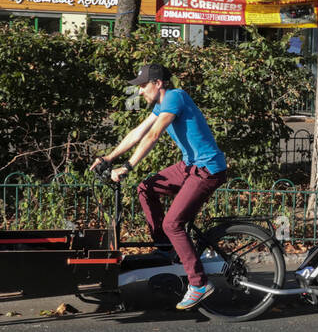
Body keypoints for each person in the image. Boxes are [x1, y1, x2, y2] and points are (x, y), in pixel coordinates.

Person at [95, 63, 229, 310]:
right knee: (146, 188)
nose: (140, 92)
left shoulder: (175, 97)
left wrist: (128, 166)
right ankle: (166, 249)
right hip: (191, 166)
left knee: (172, 223)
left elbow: (153, 135)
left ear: (158, 84)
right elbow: (138, 132)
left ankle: (199, 283)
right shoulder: (161, 104)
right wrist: (109, 158)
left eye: (143, 86)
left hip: (208, 169)